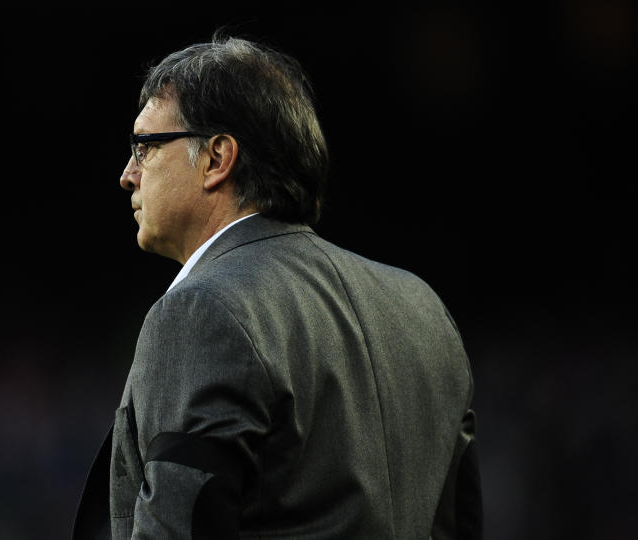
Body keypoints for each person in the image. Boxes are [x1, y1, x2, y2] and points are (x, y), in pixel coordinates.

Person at [74, 34, 481, 540]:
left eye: (144, 146)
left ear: (217, 158)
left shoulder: (202, 309)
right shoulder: (423, 310)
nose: (127, 175)